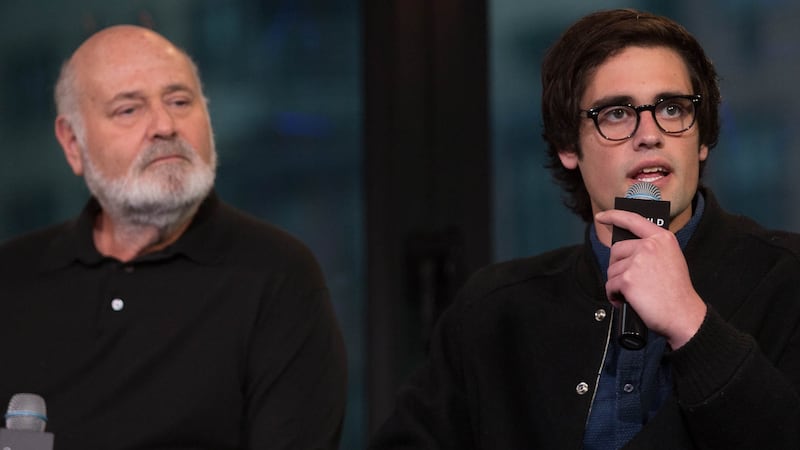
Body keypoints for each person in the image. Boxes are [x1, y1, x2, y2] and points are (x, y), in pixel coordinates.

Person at [369, 8, 800, 449]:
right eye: (616, 114)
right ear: (568, 146)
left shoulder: (786, 280)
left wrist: (692, 324)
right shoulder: (493, 312)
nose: (649, 134)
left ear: (702, 138)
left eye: (672, 109)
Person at [0, 25, 347, 449]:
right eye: (129, 110)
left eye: (180, 102)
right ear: (73, 143)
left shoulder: (277, 276)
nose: (165, 125)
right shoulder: (12, 279)